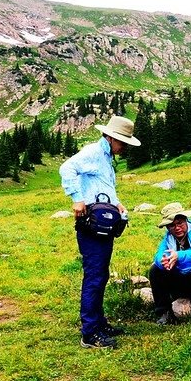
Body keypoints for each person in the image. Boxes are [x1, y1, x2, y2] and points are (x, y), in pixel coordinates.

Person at [59, 115, 140, 349]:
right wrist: (76, 198)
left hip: (102, 224)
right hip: (92, 226)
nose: (124, 147)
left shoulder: (106, 158)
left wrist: (117, 203)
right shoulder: (94, 152)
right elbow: (67, 168)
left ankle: (99, 322)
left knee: (101, 275)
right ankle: (90, 333)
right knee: (95, 276)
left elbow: (101, 187)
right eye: (123, 142)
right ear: (111, 137)